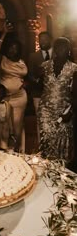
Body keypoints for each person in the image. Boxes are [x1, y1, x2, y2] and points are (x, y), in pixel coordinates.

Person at [38, 37, 77, 167]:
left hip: (64, 110)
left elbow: (75, 94)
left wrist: (70, 111)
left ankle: (61, 172)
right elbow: (39, 86)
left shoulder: (73, 68)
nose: (61, 50)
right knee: (46, 140)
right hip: (45, 110)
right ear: (55, 49)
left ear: (69, 50)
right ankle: (47, 170)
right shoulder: (45, 66)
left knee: (62, 142)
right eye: (58, 47)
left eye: (64, 47)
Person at [0, 22, 28, 152]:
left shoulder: (22, 62)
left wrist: (26, 83)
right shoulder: (2, 60)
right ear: (7, 49)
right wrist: (4, 33)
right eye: (11, 48)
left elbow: (26, 76)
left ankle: (16, 150)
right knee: (5, 125)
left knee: (18, 124)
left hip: (20, 97)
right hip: (6, 97)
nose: (13, 50)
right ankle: (4, 150)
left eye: (15, 48)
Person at [28, 31, 53, 142]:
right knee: (40, 120)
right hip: (38, 93)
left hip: (54, 93)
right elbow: (29, 74)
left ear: (50, 40)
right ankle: (42, 144)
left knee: (53, 119)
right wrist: (37, 78)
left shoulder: (57, 54)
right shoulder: (33, 56)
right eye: (40, 39)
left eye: (45, 39)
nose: (42, 41)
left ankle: (53, 143)